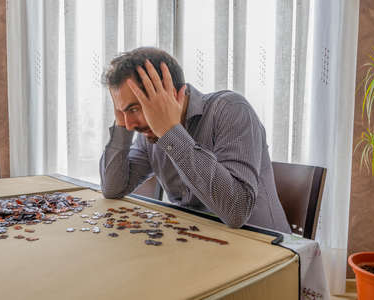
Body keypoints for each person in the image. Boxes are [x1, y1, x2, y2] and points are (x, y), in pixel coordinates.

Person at [99, 47, 291, 233]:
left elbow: (236, 212)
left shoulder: (231, 110)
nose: (130, 125)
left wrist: (170, 131)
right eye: (122, 112)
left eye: (134, 109)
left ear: (170, 95)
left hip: (262, 247)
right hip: (198, 240)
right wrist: (121, 125)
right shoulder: (150, 133)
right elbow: (113, 188)